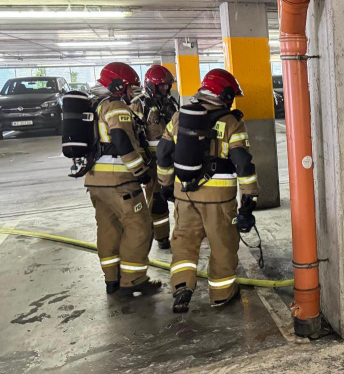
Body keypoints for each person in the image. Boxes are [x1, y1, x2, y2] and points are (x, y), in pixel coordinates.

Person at [156, 69, 259, 313]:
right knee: (222, 244)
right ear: (223, 94)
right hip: (218, 199)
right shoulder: (232, 122)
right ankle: (221, 294)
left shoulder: (180, 117)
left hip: (184, 193)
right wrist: (249, 196)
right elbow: (243, 162)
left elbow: (163, 153)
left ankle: (181, 285)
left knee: (184, 241)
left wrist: (166, 184)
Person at [85, 62, 161, 296]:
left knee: (108, 229)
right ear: (118, 86)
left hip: (95, 182)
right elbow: (121, 140)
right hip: (120, 182)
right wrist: (141, 172)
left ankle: (112, 279)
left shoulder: (95, 105)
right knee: (139, 227)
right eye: (130, 88)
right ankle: (134, 279)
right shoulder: (116, 106)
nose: (132, 93)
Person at [132, 65, 179, 250]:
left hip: (173, 159)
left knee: (180, 196)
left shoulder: (171, 103)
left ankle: (186, 232)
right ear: (151, 85)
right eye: (161, 86)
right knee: (157, 201)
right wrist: (142, 164)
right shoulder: (140, 104)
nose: (166, 89)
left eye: (167, 85)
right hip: (152, 163)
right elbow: (133, 135)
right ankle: (161, 237)